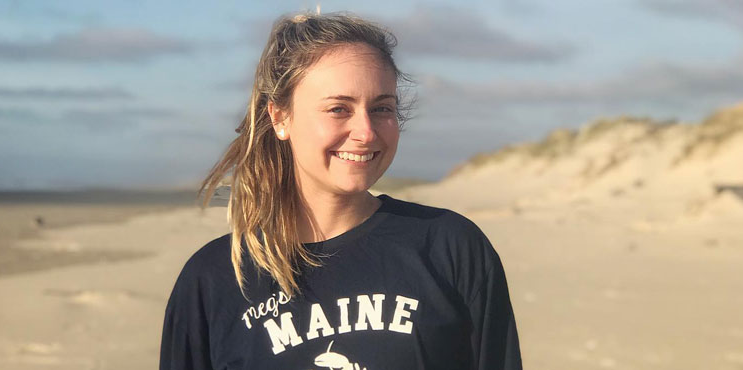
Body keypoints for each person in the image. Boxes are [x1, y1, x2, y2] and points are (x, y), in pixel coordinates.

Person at [160, 12, 522, 370]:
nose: (365, 131)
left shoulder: (451, 248)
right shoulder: (214, 279)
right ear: (280, 117)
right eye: (338, 109)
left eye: (382, 108)